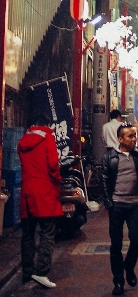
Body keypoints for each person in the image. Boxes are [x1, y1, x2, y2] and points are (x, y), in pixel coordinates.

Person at [17, 114, 64, 289]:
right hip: (44, 192)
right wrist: (57, 179)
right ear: (45, 124)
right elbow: (53, 164)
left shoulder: (22, 141)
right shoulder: (48, 138)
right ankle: (41, 271)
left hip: (27, 193)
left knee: (27, 234)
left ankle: (27, 273)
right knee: (47, 232)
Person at [101, 122, 138, 295]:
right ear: (120, 139)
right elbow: (104, 179)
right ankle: (118, 281)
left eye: (135, 135)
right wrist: (108, 202)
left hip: (135, 204)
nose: (134, 139)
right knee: (116, 244)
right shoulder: (110, 156)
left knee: (137, 240)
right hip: (117, 205)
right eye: (130, 136)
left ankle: (129, 266)